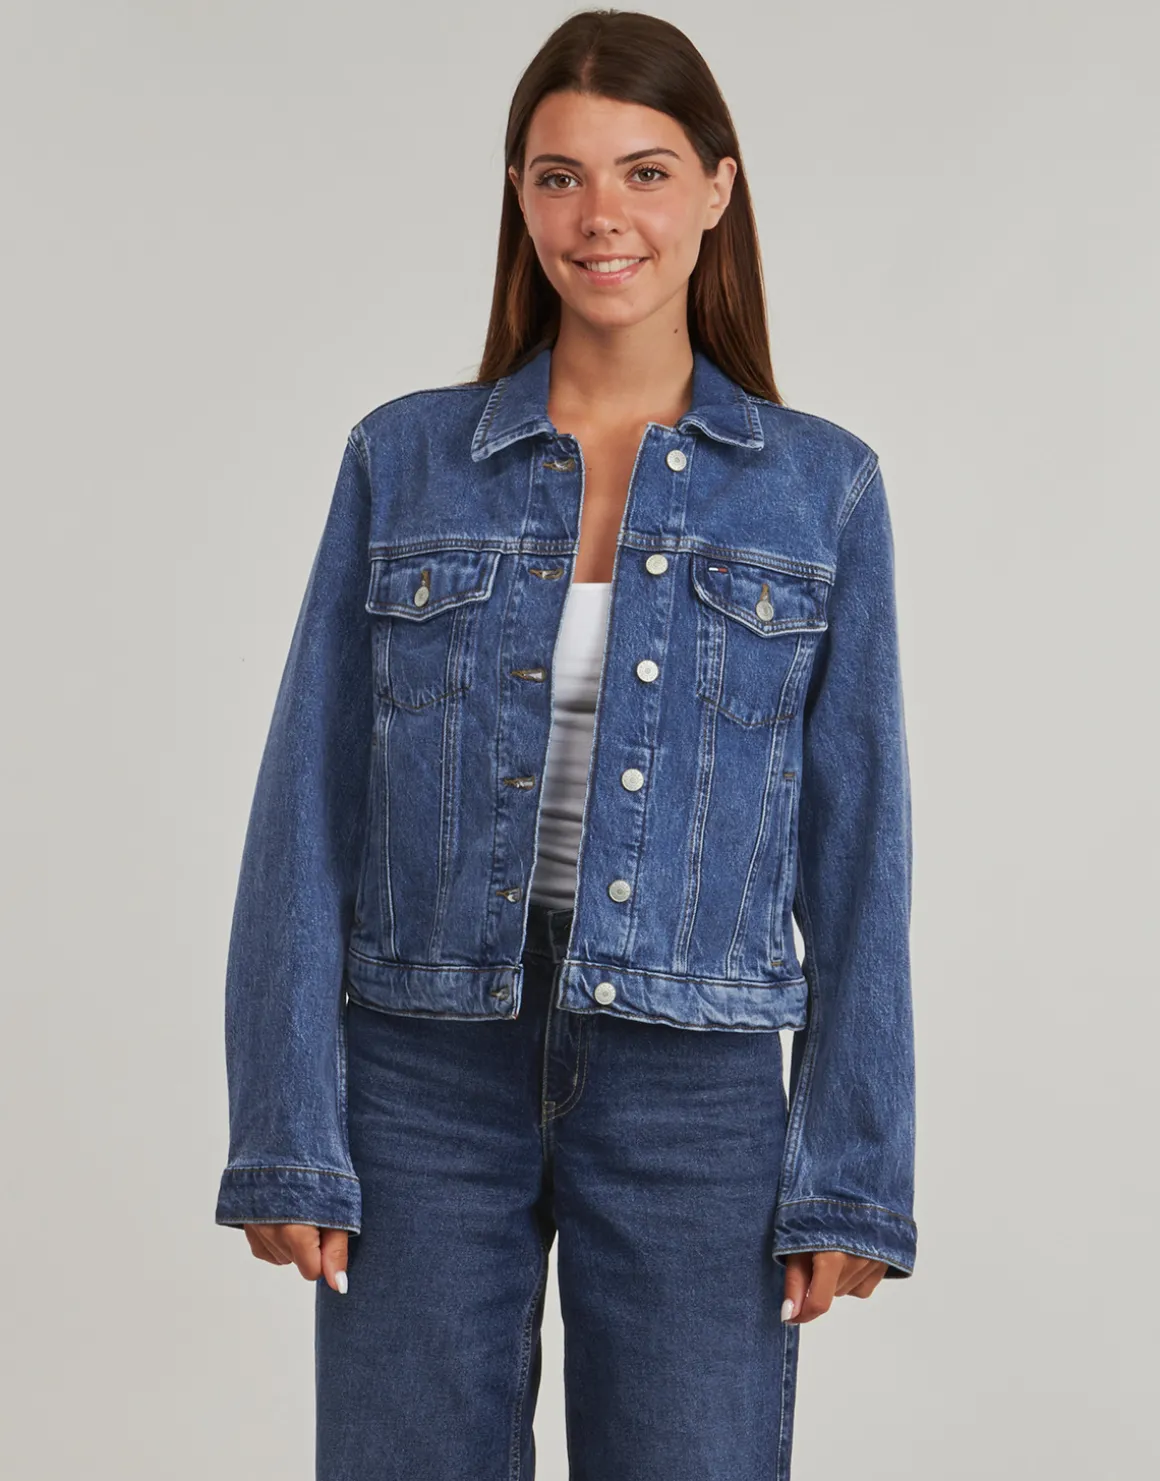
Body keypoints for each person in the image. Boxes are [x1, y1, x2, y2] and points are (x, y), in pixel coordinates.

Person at [214, 10, 917, 1478]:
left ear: (717, 189)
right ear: (520, 201)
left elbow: (860, 852)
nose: (602, 215)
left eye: (645, 172)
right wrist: (287, 1127)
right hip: (420, 1069)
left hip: (695, 1082)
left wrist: (851, 1172)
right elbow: (308, 802)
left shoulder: (821, 492)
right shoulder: (403, 459)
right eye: (560, 177)